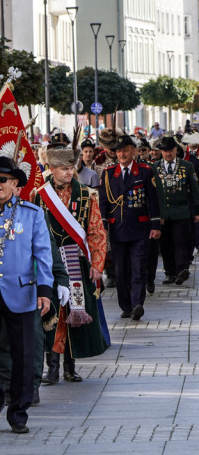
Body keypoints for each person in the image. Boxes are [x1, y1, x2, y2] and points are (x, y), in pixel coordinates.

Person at [0, 157, 53, 435]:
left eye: (2, 179)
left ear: (15, 185)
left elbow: (43, 254)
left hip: (22, 290)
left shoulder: (32, 213)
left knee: (23, 354)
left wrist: (45, 290)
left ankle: (18, 411)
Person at [34, 143, 109, 384]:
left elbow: (97, 231)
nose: (69, 172)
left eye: (71, 167)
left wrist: (97, 264)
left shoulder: (87, 195)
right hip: (49, 262)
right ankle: (51, 368)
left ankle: (70, 366)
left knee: (75, 314)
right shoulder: (39, 195)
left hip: (78, 260)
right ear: (51, 168)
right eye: (63, 168)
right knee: (50, 313)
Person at [98, 135, 161, 320]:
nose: (122, 154)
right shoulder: (109, 173)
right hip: (117, 229)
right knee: (120, 270)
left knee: (139, 267)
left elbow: (153, 200)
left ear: (133, 151)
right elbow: (103, 203)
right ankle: (125, 305)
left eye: (125, 150)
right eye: (118, 151)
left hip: (140, 228)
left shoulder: (145, 171)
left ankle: (137, 304)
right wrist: (102, 226)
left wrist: (156, 225)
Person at [150, 135, 199, 285]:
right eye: (164, 151)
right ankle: (170, 272)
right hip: (163, 212)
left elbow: (195, 189)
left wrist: (196, 211)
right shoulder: (154, 167)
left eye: (170, 150)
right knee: (165, 245)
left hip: (181, 210)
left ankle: (181, 270)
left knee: (181, 241)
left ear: (176, 150)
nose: (168, 154)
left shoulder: (187, 166)